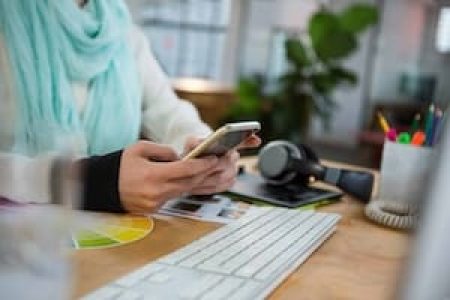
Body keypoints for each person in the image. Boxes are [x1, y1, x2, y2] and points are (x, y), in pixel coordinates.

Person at [0, 0, 260, 214]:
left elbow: (169, 112)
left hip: (111, 240)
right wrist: (94, 182)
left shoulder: (121, 30)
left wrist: (203, 153)